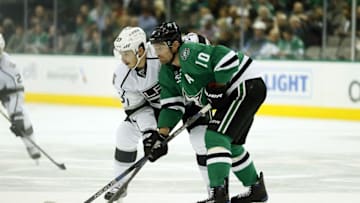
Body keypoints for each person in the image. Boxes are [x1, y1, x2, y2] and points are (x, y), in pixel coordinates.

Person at [149, 22, 268, 203]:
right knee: (231, 144)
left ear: (174, 45)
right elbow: (172, 106)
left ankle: (218, 195)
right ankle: (256, 189)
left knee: (214, 137)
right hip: (243, 90)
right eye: (154, 47)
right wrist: (161, 135)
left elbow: (227, 58)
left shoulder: (188, 52)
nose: (156, 52)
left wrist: (218, 86)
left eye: (159, 47)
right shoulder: (167, 72)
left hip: (245, 85)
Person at [106, 27, 211, 202]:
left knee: (202, 140)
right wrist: (149, 133)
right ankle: (120, 185)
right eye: (120, 54)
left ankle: (215, 192)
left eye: (126, 54)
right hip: (162, 108)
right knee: (124, 134)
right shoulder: (122, 76)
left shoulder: (160, 51)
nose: (123, 60)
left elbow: (193, 42)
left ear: (140, 50)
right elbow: (138, 109)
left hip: (191, 101)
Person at [0, 33, 41, 160]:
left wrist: (17, 115)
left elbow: (18, 91)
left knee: (23, 120)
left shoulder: (10, 65)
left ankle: (31, 146)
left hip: (10, 95)